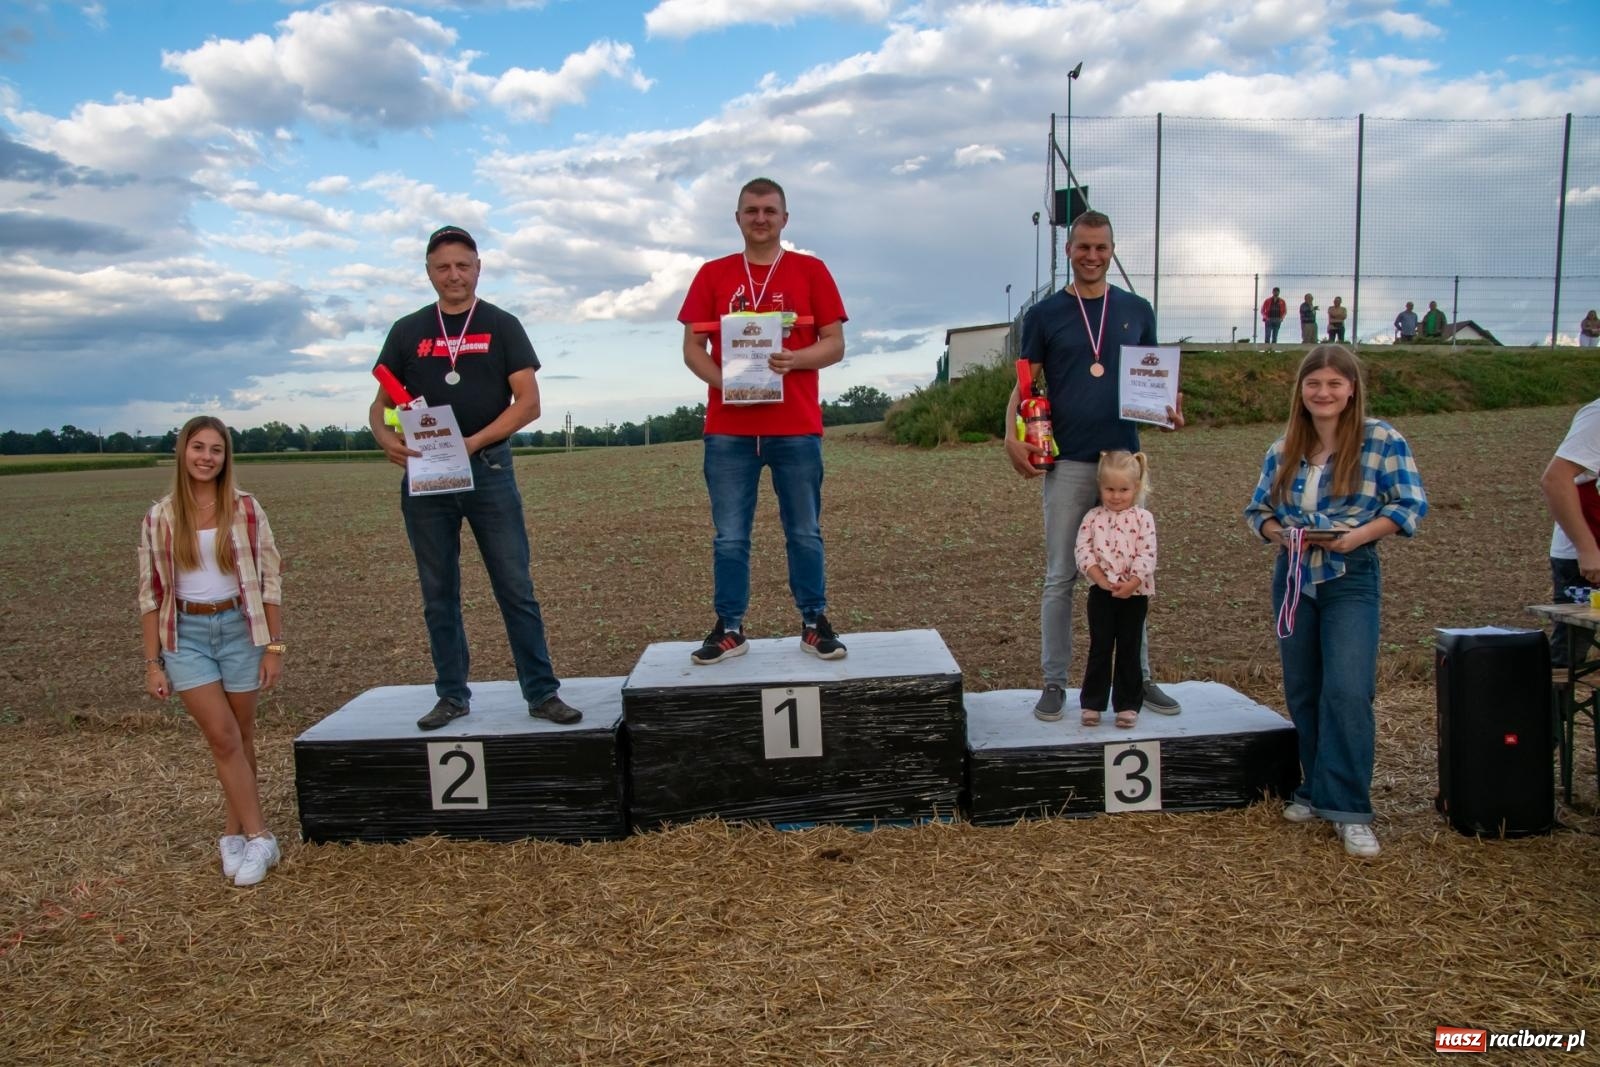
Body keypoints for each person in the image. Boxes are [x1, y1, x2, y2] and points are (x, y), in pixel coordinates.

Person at [369, 225, 581, 731]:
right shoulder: (406, 331)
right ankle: (451, 696)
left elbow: (528, 404)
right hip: (427, 479)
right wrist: (385, 439)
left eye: (463, 265)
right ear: (428, 272)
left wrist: (473, 443)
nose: (454, 275)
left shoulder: (502, 325)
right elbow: (378, 408)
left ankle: (542, 693)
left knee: (515, 586)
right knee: (438, 591)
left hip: (487, 470)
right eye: (443, 267)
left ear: (478, 268)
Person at [1244, 345, 1427, 858]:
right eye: (1313, 384)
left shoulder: (1382, 440)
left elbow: (1410, 503)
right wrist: (1279, 533)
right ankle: (1313, 789)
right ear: (1301, 392)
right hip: (1295, 576)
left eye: (1333, 384)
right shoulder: (1284, 448)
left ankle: (1349, 809)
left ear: (1351, 391)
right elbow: (1257, 509)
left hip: (1351, 573)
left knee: (1347, 690)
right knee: (1304, 688)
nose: (1323, 393)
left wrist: (1358, 535)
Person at [1005, 210, 1184, 721]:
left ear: (1112, 249)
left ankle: (1140, 679)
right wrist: (1008, 436)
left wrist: (1169, 411)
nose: (1091, 256)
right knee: (1062, 575)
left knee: (1134, 576)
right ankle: (1054, 682)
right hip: (1068, 462)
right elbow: (1026, 385)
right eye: (1082, 247)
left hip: (1123, 464)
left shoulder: (1137, 309)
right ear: (1069, 251)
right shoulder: (1044, 315)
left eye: (1101, 248)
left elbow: (1153, 379)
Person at [679, 178, 849, 664]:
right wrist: (725, 384)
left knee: (804, 530)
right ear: (737, 218)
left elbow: (834, 343)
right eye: (751, 210)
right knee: (730, 535)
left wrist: (795, 360)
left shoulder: (810, 270)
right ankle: (730, 627)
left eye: (769, 210)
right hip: (728, 431)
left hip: (794, 426)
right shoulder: (713, 274)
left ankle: (814, 622)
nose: (760, 218)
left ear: (784, 219)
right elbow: (692, 347)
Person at [138, 416, 285, 887]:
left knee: (241, 738)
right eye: (198, 447)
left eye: (216, 450)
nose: (206, 457)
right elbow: (150, 594)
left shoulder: (245, 508)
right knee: (222, 737)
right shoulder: (160, 516)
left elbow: (270, 581)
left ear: (226, 458)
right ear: (183, 452)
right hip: (186, 636)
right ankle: (262, 836)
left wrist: (274, 647)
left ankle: (233, 834)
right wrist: (152, 662)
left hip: (240, 630)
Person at [1074, 450, 1158, 729]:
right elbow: (1083, 550)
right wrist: (1098, 577)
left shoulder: (1143, 518)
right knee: (1100, 647)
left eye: (1124, 489)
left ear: (1136, 488)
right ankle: (1092, 703)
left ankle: (1127, 704)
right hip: (1102, 594)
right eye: (1109, 489)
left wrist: (1133, 581)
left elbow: (1148, 554)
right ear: (1100, 487)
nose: (1116, 496)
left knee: (1129, 648)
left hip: (1134, 595)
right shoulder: (1092, 518)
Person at [1540, 397, 1600, 667]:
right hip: (1586, 557)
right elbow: (1556, 479)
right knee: (1570, 660)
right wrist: (1587, 549)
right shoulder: (1597, 416)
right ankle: (1553, 710)